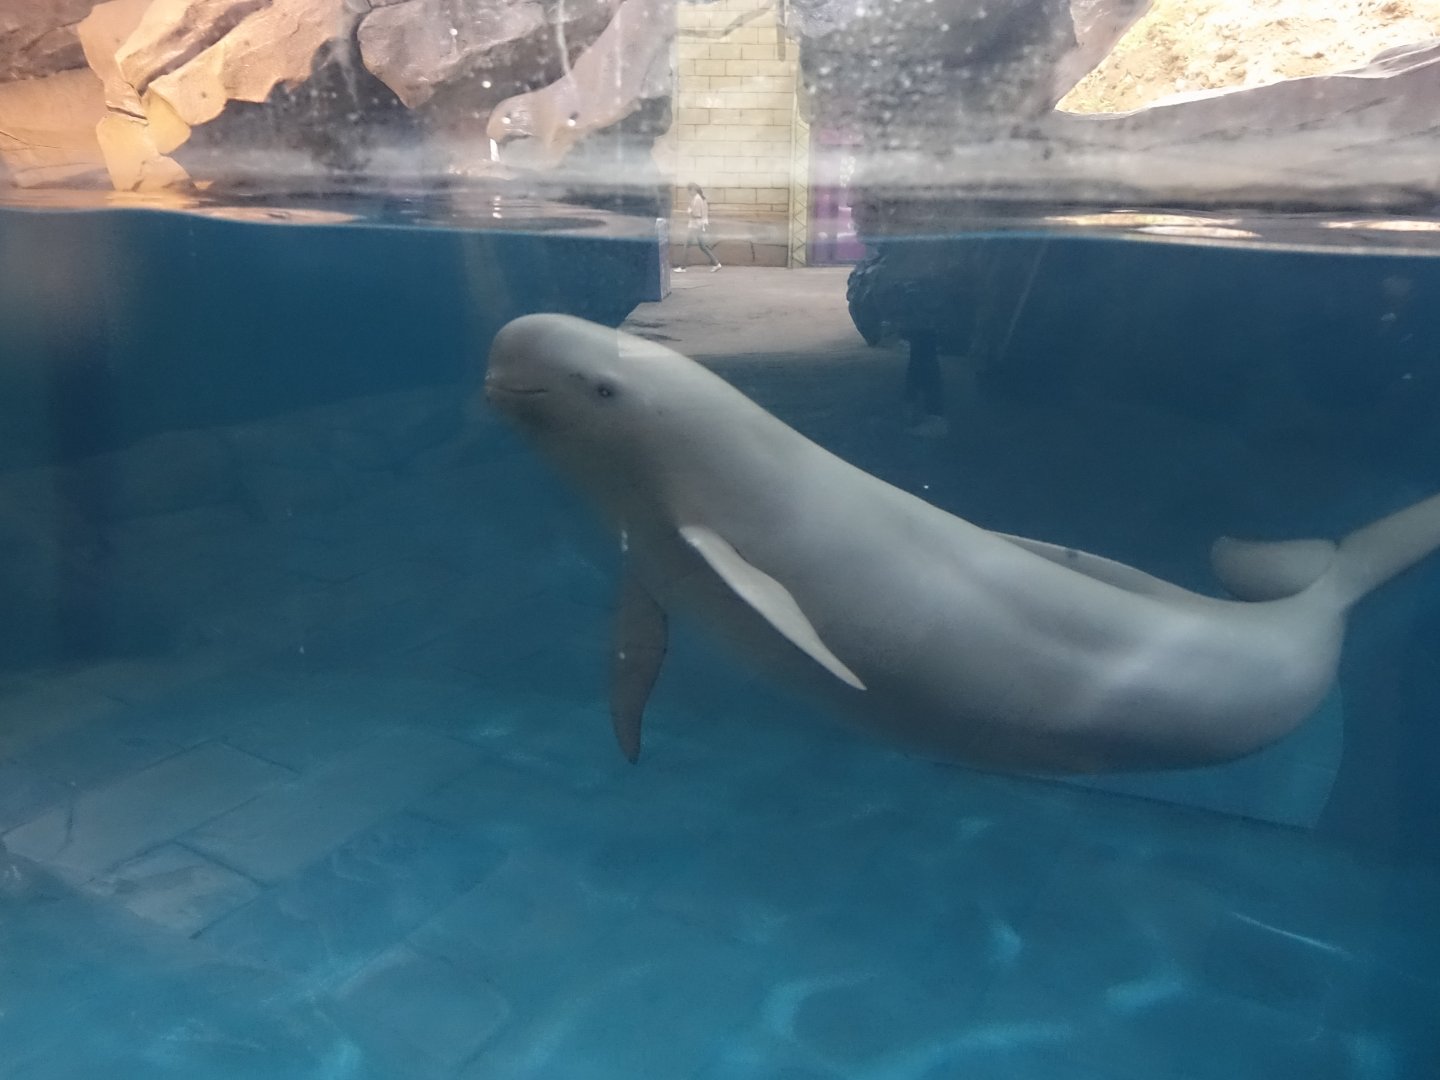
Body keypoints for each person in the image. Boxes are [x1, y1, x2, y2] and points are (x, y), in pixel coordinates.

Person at [675, 182, 721, 272]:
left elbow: (697, 215)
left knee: (687, 246)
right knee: (702, 246)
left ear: (694, 190)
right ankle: (716, 263)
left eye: (689, 190)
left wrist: (689, 211)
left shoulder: (697, 199)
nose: (689, 193)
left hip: (694, 226)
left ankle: (683, 267)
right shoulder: (700, 198)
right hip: (698, 226)